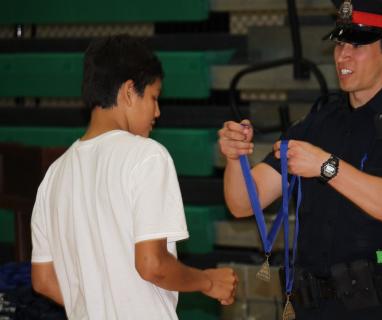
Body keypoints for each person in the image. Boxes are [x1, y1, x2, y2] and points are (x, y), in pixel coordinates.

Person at [218, 0, 382, 319]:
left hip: (381, 306)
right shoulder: (317, 122)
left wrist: (326, 167)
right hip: (312, 305)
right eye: (340, 43)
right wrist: (235, 157)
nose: (343, 55)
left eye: (357, 45)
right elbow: (244, 202)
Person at [30, 35, 237, 319]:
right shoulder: (147, 155)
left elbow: (43, 280)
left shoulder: (54, 175)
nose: (157, 111)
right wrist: (208, 282)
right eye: (154, 97)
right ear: (129, 92)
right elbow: (152, 265)